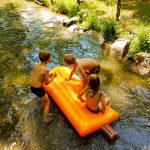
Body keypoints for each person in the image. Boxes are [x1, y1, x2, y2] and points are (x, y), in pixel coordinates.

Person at [31, 50, 57, 123]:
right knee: (47, 103)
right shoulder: (46, 69)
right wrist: (53, 77)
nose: (50, 59)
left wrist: (49, 76)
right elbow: (47, 83)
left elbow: (39, 76)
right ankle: (45, 118)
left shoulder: (37, 66)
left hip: (32, 87)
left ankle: (43, 110)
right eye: (50, 57)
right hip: (38, 89)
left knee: (44, 99)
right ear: (48, 60)